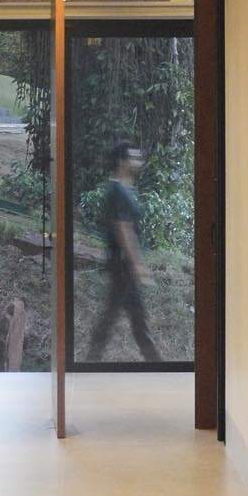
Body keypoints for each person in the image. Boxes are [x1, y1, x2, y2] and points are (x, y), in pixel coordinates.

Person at [90, 140, 160, 362]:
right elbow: (123, 229)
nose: (138, 160)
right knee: (116, 317)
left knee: (134, 318)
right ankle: (91, 361)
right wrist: (137, 264)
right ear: (121, 161)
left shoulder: (124, 188)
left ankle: (156, 363)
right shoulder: (118, 191)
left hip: (123, 265)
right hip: (122, 265)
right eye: (133, 156)